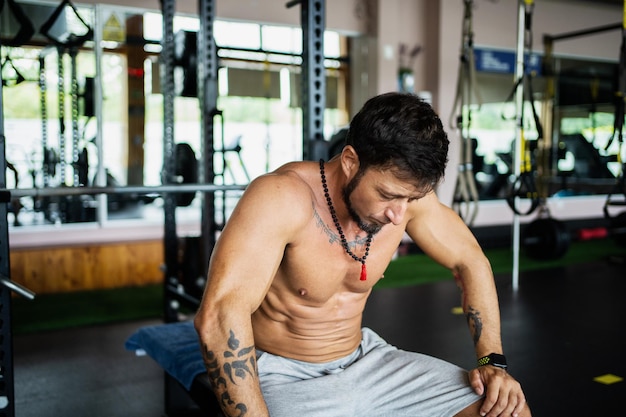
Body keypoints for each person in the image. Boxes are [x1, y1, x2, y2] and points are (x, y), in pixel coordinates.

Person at [194, 92, 531, 417]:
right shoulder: (282, 197)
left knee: (506, 411)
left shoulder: (407, 201)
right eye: (387, 195)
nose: (398, 215)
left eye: (410, 199)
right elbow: (221, 314)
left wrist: (492, 363)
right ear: (351, 161)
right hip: (284, 375)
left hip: (367, 360)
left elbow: (471, 260)